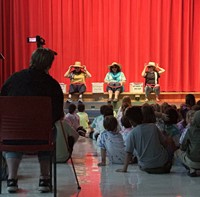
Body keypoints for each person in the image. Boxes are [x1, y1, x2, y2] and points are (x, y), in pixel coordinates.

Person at [0, 48, 64, 193]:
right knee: (49, 131)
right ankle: (44, 179)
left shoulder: (13, 79)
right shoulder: (52, 85)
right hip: (41, 137)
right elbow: (58, 115)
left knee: (14, 135)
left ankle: (12, 179)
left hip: (12, 136)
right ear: (49, 64)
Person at [116, 106, 173, 174]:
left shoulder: (132, 133)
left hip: (145, 166)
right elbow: (164, 143)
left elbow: (129, 153)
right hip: (162, 163)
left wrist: (124, 169)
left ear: (131, 122)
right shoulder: (153, 127)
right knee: (169, 141)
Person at [175, 110, 200, 177]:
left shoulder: (190, 130)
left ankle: (192, 169)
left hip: (193, 161)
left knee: (178, 152)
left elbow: (183, 147)